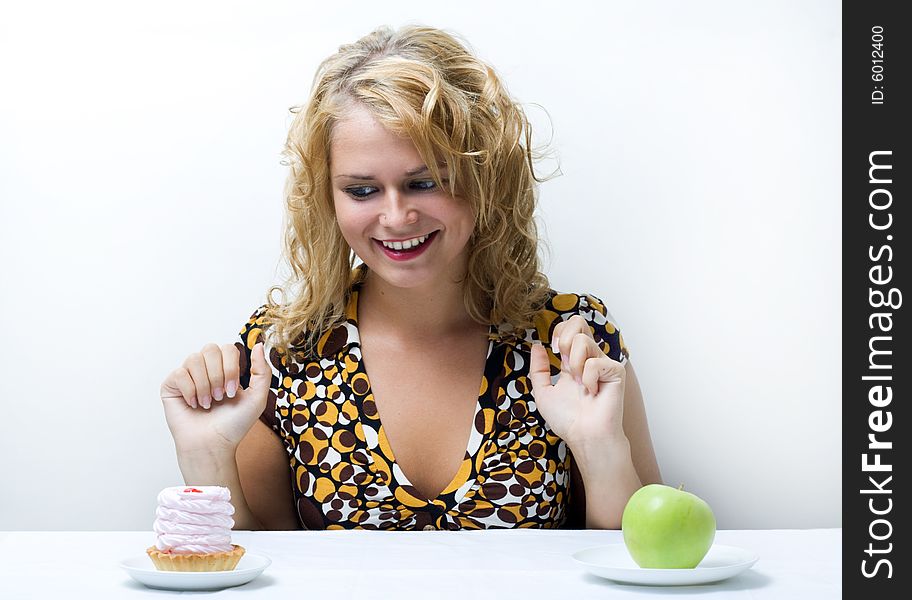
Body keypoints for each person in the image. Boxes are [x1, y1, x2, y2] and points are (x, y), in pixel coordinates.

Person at [159, 24, 661, 531]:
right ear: (327, 197)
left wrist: (601, 449)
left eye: (424, 182)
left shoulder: (571, 340)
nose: (396, 217)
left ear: (484, 176)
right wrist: (206, 460)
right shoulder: (284, 350)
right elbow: (264, 569)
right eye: (361, 191)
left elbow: (641, 564)